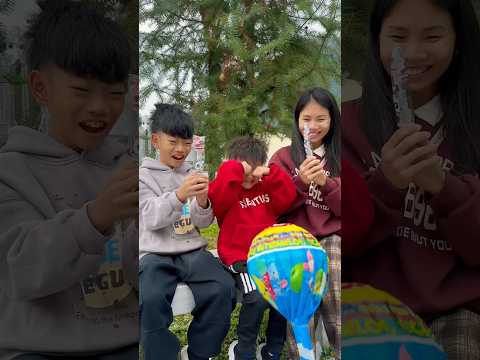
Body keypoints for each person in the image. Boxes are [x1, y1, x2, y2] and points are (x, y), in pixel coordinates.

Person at [0, 1, 139, 359]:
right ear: (40, 87)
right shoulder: (11, 173)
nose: (100, 108)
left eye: (114, 93)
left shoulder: (126, 168)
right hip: (37, 350)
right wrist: (96, 217)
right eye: (81, 90)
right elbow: (23, 270)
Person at [342, 0, 480, 358]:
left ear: (458, 39)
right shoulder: (348, 126)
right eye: (398, 36)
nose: (414, 53)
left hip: (459, 307)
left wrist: (444, 187)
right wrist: (385, 184)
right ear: (377, 41)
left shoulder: (472, 125)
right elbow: (343, 242)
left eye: (433, 36)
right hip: (369, 304)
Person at [139, 104, 236, 360]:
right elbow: (149, 218)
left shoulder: (193, 175)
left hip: (192, 251)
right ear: (156, 140)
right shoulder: (141, 176)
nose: (181, 149)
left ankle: (199, 354)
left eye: (186, 142)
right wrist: (180, 195)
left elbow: (203, 223)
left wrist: (203, 201)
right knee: (149, 299)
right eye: (173, 141)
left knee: (223, 288)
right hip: (154, 254)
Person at [208, 136, 296, 360]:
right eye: (242, 170)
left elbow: (288, 197)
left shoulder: (267, 187)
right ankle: (243, 350)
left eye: (252, 170)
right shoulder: (229, 190)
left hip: (269, 257)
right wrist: (233, 170)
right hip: (241, 259)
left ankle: (273, 347)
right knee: (256, 297)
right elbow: (215, 198)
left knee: (284, 294)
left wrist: (270, 173)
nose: (247, 177)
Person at [269, 87, 341, 359]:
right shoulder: (283, 158)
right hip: (295, 240)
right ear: (297, 120)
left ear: (332, 120)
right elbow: (274, 206)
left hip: (334, 237)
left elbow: (355, 209)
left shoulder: (343, 156)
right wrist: (299, 182)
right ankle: (302, 354)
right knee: (300, 301)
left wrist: (327, 184)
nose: (312, 126)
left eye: (321, 119)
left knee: (335, 280)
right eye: (306, 119)